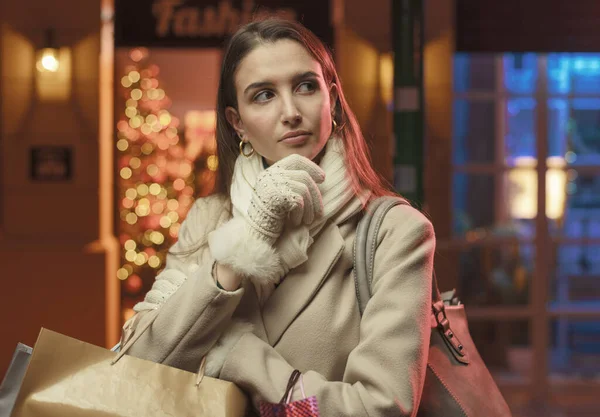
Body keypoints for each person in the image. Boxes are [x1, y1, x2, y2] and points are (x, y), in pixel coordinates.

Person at [126, 17, 436, 417]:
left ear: (334, 100)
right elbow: (139, 365)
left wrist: (241, 358)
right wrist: (243, 245)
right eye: (264, 95)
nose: (290, 112)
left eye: (306, 86)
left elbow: (379, 408)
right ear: (237, 122)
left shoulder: (394, 233)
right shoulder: (209, 219)